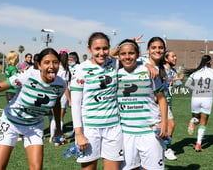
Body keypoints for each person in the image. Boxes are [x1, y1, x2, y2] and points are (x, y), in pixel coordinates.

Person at [0, 48, 66, 170]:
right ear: (39, 65)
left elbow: (57, 104)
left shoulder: (60, 84)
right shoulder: (27, 76)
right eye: (47, 62)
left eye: (55, 62)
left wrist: (58, 128)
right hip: (11, 123)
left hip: (34, 127)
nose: (52, 66)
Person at [70, 32, 124, 170]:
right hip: (89, 129)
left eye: (105, 48)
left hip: (113, 128)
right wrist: (79, 134)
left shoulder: (115, 63)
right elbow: (75, 105)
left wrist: (148, 66)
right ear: (89, 49)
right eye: (97, 49)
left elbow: (135, 61)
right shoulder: (80, 69)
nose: (102, 52)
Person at [116, 39, 168, 170]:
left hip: (149, 131)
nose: (127, 57)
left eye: (131, 53)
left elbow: (162, 99)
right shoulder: (115, 74)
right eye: (123, 54)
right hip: (126, 132)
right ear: (118, 55)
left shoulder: (150, 72)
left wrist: (164, 123)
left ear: (138, 54)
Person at [184, 55, 213, 152]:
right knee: (203, 122)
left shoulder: (195, 72)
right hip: (207, 99)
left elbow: (187, 84)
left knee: (196, 117)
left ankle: (193, 121)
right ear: (209, 62)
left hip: (196, 98)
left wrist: (195, 89)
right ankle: (198, 145)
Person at [158, 50, 183, 160]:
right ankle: (166, 149)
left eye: (176, 55)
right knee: (171, 124)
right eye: (173, 56)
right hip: (159, 101)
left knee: (165, 126)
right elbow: (163, 80)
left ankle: (161, 148)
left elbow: (176, 85)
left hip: (168, 101)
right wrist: (176, 79)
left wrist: (178, 82)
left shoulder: (173, 70)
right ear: (166, 59)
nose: (175, 58)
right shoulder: (161, 68)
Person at [49, 50, 71, 146]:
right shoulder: (64, 71)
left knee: (55, 117)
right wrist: (70, 99)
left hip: (53, 94)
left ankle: (51, 137)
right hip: (61, 96)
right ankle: (57, 139)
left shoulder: (56, 69)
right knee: (60, 118)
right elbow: (65, 87)